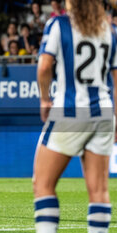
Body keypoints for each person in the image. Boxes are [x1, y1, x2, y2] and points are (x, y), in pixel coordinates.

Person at [33, 0, 117, 233]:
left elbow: (44, 66)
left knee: (43, 185)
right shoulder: (109, 30)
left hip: (69, 111)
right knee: (99, 191)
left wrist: (44, 99)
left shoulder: (59, 24)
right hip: (103, 113)